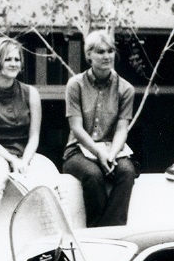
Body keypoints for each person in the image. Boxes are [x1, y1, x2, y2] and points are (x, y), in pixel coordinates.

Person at [0, 37, 63, 261]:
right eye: (7, 58)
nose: (13, 63)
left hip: (26, 152)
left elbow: (34, 136)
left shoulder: (31, 93)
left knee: (49, 180)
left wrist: (25, 160)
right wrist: (11, 160)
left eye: (16, 59)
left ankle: (58, 245)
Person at [61, 30, 142, 227]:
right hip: (78, 151)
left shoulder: (125, 89)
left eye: (110, 51)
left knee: (127, 171)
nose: (106, 56)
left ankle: (111, 230)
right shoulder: (76, 85)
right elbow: (76, 128)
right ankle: (98, 230)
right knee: (93, 175)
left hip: (112, 149)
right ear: (88, 55)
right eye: (100, 52)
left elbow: (122, 128)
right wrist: (98, 153)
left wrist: (112, 154)